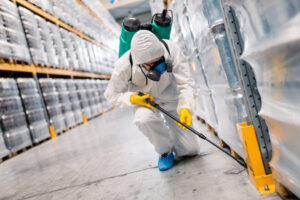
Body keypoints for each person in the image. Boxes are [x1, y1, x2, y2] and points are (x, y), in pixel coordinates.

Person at [104, 30, 200, 171]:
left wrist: (186, 107)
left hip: (170, 97)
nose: (159, 67)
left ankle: (171, 126)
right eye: (152, 65)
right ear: (140, 63)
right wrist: (131, 98)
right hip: (145, 102)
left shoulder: (171, 49)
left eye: (160, 60)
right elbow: (111, 94)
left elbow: (186, 83)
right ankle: (165, 151)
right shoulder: (124, 66)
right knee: (143, 119)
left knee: (191, 150)